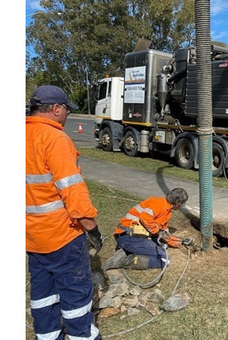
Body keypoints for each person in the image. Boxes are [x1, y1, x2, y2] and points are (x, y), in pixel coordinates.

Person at [26, 85, 103, 340]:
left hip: (33, 238)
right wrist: (92, 228)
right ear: (56, 109)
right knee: (76, 295)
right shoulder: (55, 139)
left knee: (43, 295)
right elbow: (72, 191)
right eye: (66, 110)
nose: (67, 115)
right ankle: (82, 335)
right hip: (62, 236)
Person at [102, 188, 194, 271]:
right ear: (178, 204)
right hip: (129, 237)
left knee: (162, 245)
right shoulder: (159, 205)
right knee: (164, 260)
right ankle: (125, 260)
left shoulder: (166, 209)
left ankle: (127, 251)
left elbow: (163, 233)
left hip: (132, 236)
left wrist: (180, 242)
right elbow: (145, 218)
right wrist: (157, 231)